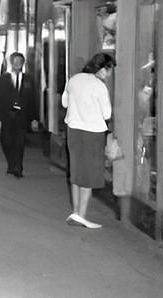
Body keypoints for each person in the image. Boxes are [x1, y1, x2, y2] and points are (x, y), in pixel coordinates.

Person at [62, 52, 115, 229]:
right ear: (103, 69)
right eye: (109, 70)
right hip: (93, 133)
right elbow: (107, 113)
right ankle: (82, 215)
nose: (109, 74)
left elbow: (64, 103)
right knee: (90, 173)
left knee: (76, 171)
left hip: (73, 130)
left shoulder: (74, 79)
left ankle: (76, 212)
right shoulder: (99, 86)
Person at [0, 52, 38, 177]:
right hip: (6, 116)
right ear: (11, 63)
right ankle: (11, 163)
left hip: (22, 117)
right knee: (7, 141)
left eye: (20, 62)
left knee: (20, 142)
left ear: (23, 63)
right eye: (15, 61)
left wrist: (34, 119)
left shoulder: (29, 80)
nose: (17, 64)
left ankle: (18, 166)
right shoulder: (2, 80)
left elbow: (33, 100)